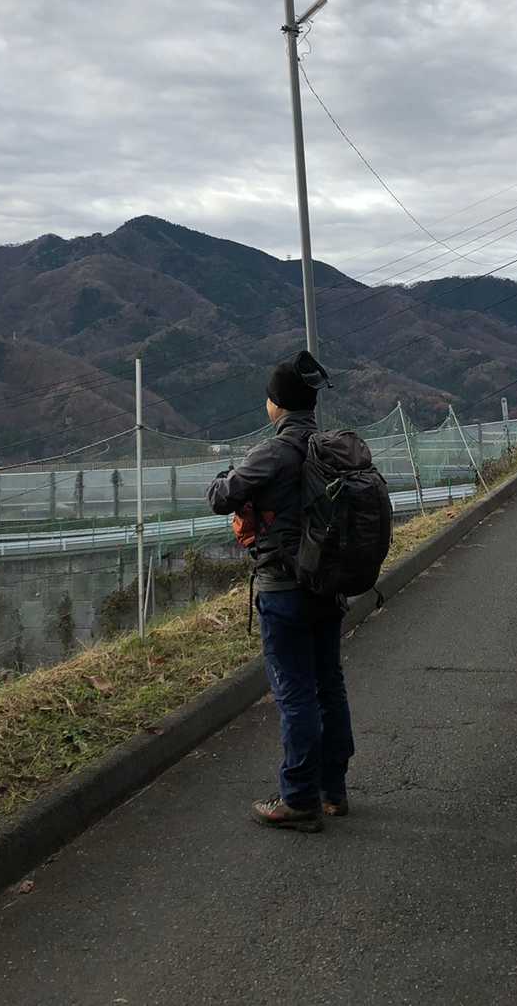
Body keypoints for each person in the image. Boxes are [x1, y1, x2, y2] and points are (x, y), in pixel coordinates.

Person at [207, 350, 353, 833]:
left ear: (277, 404)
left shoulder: (272, 452)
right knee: (328, 686)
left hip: (284, 589)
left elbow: (221, 497)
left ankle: (298, 799)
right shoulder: (330, 448)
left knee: (295, 694)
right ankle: (333, 790)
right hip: (327, 586)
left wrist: (225, 479)